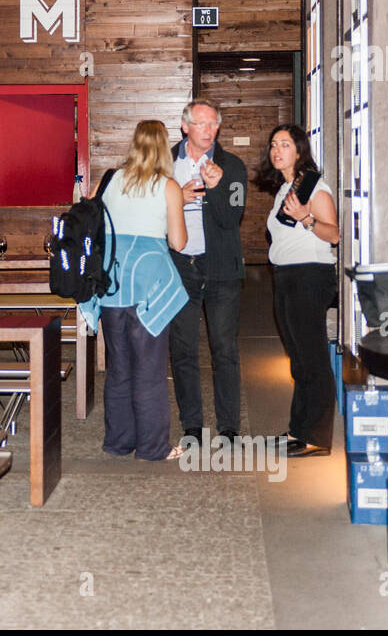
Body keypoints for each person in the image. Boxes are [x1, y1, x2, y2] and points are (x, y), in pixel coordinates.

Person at [78, 120, 189, 460]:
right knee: (151, 371)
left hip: (111, 286)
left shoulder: (109, 179)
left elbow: (91, 221)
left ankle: (118, 441)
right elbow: (179, 242)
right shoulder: (168, 186)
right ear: (162, 148)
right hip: (149, 289)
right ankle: (154, 447)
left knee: (120, 368)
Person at [254, 124, 340, 457]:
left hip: (310, 277)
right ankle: (298, 430)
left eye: (285, 144)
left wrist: (306, 218)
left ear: (300, 150)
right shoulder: (287, 186)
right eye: (274, 144)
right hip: (288, 277)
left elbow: (333, 234)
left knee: (312, 358)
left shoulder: (315, 187)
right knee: (298, 359)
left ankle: (316, 437)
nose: (277, 150)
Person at [167, 100, 248, 447]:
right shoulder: (164, 162)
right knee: (183, 348)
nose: (208, 130)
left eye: (213, 124)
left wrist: (214, 189)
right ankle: (192, 426)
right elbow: (151, 210)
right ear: (185, 127)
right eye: (201, 123)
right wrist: (178, 199)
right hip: (180, 266)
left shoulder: (232, 166)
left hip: (222, 270)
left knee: (224, 348)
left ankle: (229, 427)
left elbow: (232, 218)